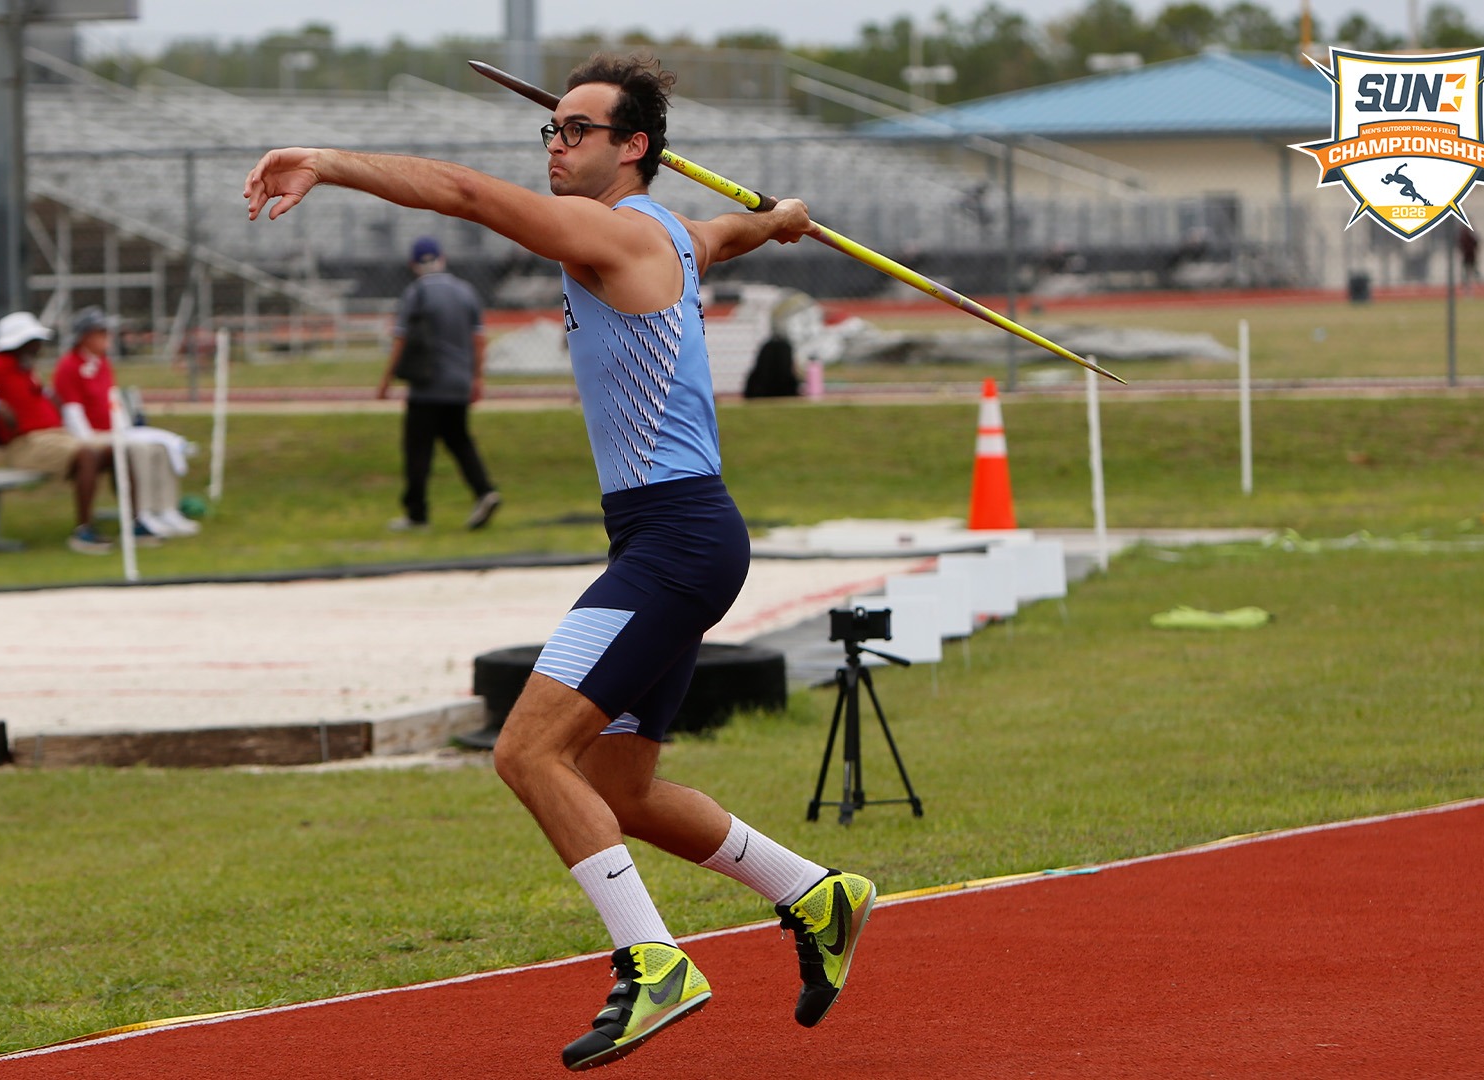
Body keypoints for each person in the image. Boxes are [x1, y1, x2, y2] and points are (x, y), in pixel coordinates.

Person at [246, 54, 875, 1071]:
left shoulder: (610, 232)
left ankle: (654, 961)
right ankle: (817, 893)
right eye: (551, 129)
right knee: (621, 789)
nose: (554, 144)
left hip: (673, 546)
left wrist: (324, 159)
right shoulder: (672, 234)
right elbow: (727, 233)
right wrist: (783, 219)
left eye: (577, 130)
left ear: (633, 148)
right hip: (673, 539)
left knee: (527, 752)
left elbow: (459, 191)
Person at [0, 311, 156, 555]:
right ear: (19, 343)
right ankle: (84, 531)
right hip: (27, 444)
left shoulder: (25, 368)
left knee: (116, 450)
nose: (39, 345)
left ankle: (134, 523)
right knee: (86, 454)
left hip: (55, 437)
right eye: (33, 341)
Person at [377, 237, 501, 532]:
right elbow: (479, 340)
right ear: (443, 258)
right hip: (459, 382)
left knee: (418, 448)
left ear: (413, 264)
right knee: (459, 440)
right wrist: (477, 378)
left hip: (427, 384)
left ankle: (417, 514)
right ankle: (484, 491)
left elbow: (401, 339)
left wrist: (386, 381)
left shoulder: (416, 293)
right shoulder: (465, 291)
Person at [52, 306, 200, 538]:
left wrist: (123, 430)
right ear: (85, 337)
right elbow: (73, 413)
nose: (106, 338)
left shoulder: (102, 363)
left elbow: (113, 401)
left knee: (159, 448)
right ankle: (143, 513)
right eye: (100, 333)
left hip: (111, 431)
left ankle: (166, 508)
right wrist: (93, 440)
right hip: (93, 436)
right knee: (139, 449)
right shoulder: (69, 366)